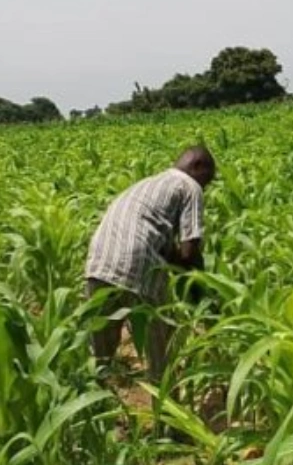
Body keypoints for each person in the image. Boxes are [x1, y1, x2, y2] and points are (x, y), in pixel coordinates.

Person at [84, 145, 216, 381]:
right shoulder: (189, 186)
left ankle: (93, 410)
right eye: (208, 180)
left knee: (99, 357)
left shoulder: (146, 184)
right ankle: (164, 411)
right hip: (139, 264)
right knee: (162, 352)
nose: (205, 187)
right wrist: (202, 299)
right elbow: (189, 253)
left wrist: (169, 252)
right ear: (196, 167)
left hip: (98, 262)